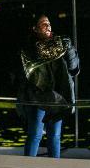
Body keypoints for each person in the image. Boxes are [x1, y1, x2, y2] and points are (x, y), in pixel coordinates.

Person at [17, 14, 80, 158]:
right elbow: (26, 73)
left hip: (58, 98)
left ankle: (54, 165)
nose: (48, 26)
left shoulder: (61, 44)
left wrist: (70, 49)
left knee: (55, 135)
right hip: (38, 96)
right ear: (35, 28)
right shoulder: (29, 47)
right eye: (43, 23)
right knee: (35, 134)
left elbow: (74, 68)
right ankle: (28, 165)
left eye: (49, 23)